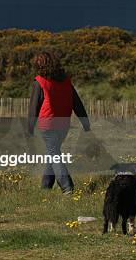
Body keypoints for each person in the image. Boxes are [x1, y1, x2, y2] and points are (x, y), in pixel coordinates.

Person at [28, 51, 90, 194]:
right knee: (53, 152)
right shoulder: (66, 81)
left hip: (47, 125)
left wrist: (29, 128)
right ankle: (45, 188)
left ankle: (67, 187)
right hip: (63, 125)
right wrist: (86, 124)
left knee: (53, 153)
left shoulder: (40, 82)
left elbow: (33, 108)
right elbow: (77, 103)